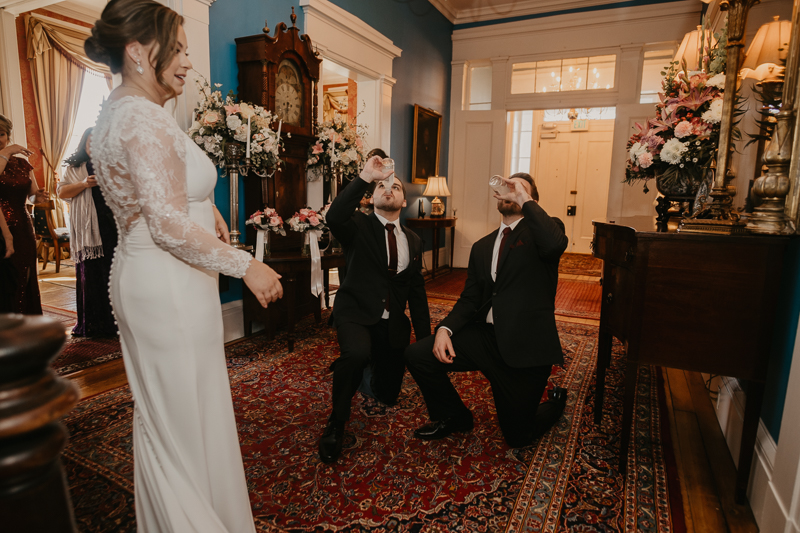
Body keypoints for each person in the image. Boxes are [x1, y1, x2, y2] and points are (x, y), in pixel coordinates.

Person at [84, 0, 283, 530]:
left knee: (172, 415)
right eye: (179, 49)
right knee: (184, 416)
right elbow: (168, 226)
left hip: (147, 272)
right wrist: (247, 266)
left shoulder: (119, 112)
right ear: (138, 52)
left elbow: (154, 195)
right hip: (168, 282)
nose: (188, 62)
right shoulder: (142, 118)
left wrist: (207, 206)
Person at [404, 173, 568, 448]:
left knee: (518, 435)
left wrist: (523, 197)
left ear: (532, 200)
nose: (511, 192)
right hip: (485, 340)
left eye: (519, 189)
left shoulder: (547, 231)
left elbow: (554, 245)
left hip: (525, 348)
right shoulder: (482, 247)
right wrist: (445, 329)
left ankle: (555, 402)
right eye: (507, 188)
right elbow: (470, 299)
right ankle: (454, 417)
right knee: (418, 354)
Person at [319, 155, 431, 464]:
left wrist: (425, 340)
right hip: (355, 312)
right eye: (382, 186)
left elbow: (416, 293)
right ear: (372, 196)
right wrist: (366, 177)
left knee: (387, 394)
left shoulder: (413, 240)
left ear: (404, 200)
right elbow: (335, 216)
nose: (388, 190)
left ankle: (368, 367)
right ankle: (336, 422)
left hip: (391, 321)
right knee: (355, 355)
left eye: (395, 186)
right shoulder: (357, 225)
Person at [58, 128, 118, 337]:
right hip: (88, 230)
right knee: (91, 274)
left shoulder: (114, 164)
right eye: (91, 142)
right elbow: (62, 192)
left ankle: (118, 323)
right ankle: (94, 323)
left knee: (113, 273)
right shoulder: (75, 167)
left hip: (112, 226)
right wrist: (84, 184)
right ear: (84, 143)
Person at [0, 114, 48, 315]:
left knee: (25, 275)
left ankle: (27, 325)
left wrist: (39, 196)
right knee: (5, 281)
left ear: (8, 136)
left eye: (1, 134)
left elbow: (32, 197)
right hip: (1, 229)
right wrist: (7, 151)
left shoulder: (22, 164)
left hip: (23, 226)